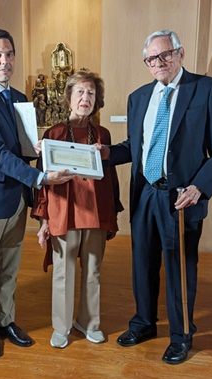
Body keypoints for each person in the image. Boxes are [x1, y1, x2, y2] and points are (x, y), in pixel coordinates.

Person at [97, 30, 212, 364]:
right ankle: (144, 323)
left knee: (179, 268)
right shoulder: (139, 97)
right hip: (145, 193)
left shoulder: (206, 89)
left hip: (181, 197)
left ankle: (181, 335)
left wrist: (199, 187)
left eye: (164, 55)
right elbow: (136, 147)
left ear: (180, 53)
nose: (158, 63)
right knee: (142, 263)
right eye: (151, 59)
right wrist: (105, 153)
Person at [0, 29, 74, 360]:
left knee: (9, 267)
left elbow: (19, 148)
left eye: (9, 54)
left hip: (15, 198)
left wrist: (40, 151)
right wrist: (40, 176)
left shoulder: (20, 98)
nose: (4, 60)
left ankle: (5, 321)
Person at [31, 70, 123, 349]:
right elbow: (42, 182)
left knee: (93, 270)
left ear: (98, 100)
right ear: (69, 98)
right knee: (63, 271)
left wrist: (112, 214)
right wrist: (43, 220)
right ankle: (62, 326)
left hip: (95, 213)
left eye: (92, 93)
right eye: (80, 92)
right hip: (64, 212)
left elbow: (111, 179)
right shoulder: (53, 134)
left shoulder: (103, 134)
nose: (86, 98)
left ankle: (89, 322)